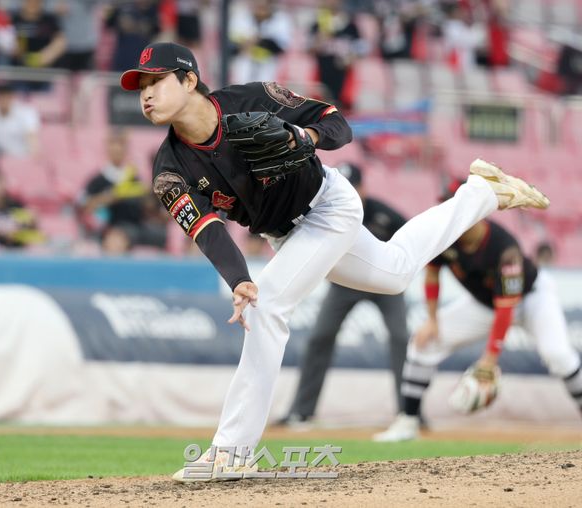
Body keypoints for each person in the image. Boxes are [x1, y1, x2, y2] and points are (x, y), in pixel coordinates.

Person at [119, 41, 549, 481]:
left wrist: (304, 137)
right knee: (396, 271)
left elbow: (337, 123)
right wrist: (238, 278)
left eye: (156, 81)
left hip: (328, 205)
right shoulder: (169, 171)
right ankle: (481, 193)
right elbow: (207, 230)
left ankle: (232, 451)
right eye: (140, 87)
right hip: (284, 235)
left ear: (190, 80)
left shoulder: (253, 99)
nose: (146, 94)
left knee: (267, 308)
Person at [373, 180, 581, 442]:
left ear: (477, 210)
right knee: (424, 342)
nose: (452, 212)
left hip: (532, 298)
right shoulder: (446, 236)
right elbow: (433, 275)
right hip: (484, 304)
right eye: (450, 205)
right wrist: (432, 320)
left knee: (559, 355)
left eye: (459, 206)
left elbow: (506, 309)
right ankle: (408, 421)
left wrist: (489, 359)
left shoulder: (504, 249)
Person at [276, 162, 410, 427]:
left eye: (354, 186)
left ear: (363, 188)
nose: (350, 191)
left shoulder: (385, 214)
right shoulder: (328, 212)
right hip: (345, 286)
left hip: (384, 285)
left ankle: (410, 413)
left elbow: (408, 245)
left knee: (401, 337)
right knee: (319, 338)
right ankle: (301, 412)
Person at [76, 129, 167, 254]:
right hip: (112, 227)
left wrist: (148, 196)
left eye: (121, 144)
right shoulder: (97, 180)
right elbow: (83, 207)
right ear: (107, 148)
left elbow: (148, 210)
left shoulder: (134, 178)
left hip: (137, 227)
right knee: (117, 239)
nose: (117, 149)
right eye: (114, 144)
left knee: (162, 235)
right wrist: (113, 195)